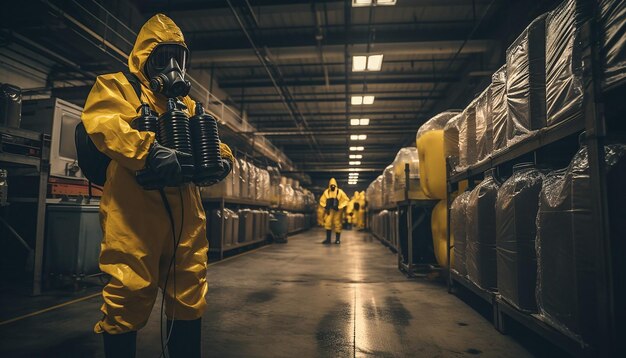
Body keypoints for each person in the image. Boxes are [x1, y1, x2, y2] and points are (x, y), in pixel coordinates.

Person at [81, 13, 234, 358]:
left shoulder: (188, 105)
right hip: (134, 210)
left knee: (190, 290)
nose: (172, 67)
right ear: (143, 58)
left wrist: (224, 158)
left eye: (178, 58)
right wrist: (148, 151)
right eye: (162, 57)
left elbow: (212, 139)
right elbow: (104, 125)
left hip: (186, 213)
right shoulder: (117, 87)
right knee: (128, 290)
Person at [319, 178, 349, 244]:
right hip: (329, 210)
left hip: (337, 211)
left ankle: (337, 240)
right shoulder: (326, 192)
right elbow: (321, 200)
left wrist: (339, 206)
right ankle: (328, 239)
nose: (332, 186)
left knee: (337, 223)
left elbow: (346, 200)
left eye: (334, 185)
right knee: (328, 223)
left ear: (336, 185)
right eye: (331, 185)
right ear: (329, 185)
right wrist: (325, 206)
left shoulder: (340, 192)